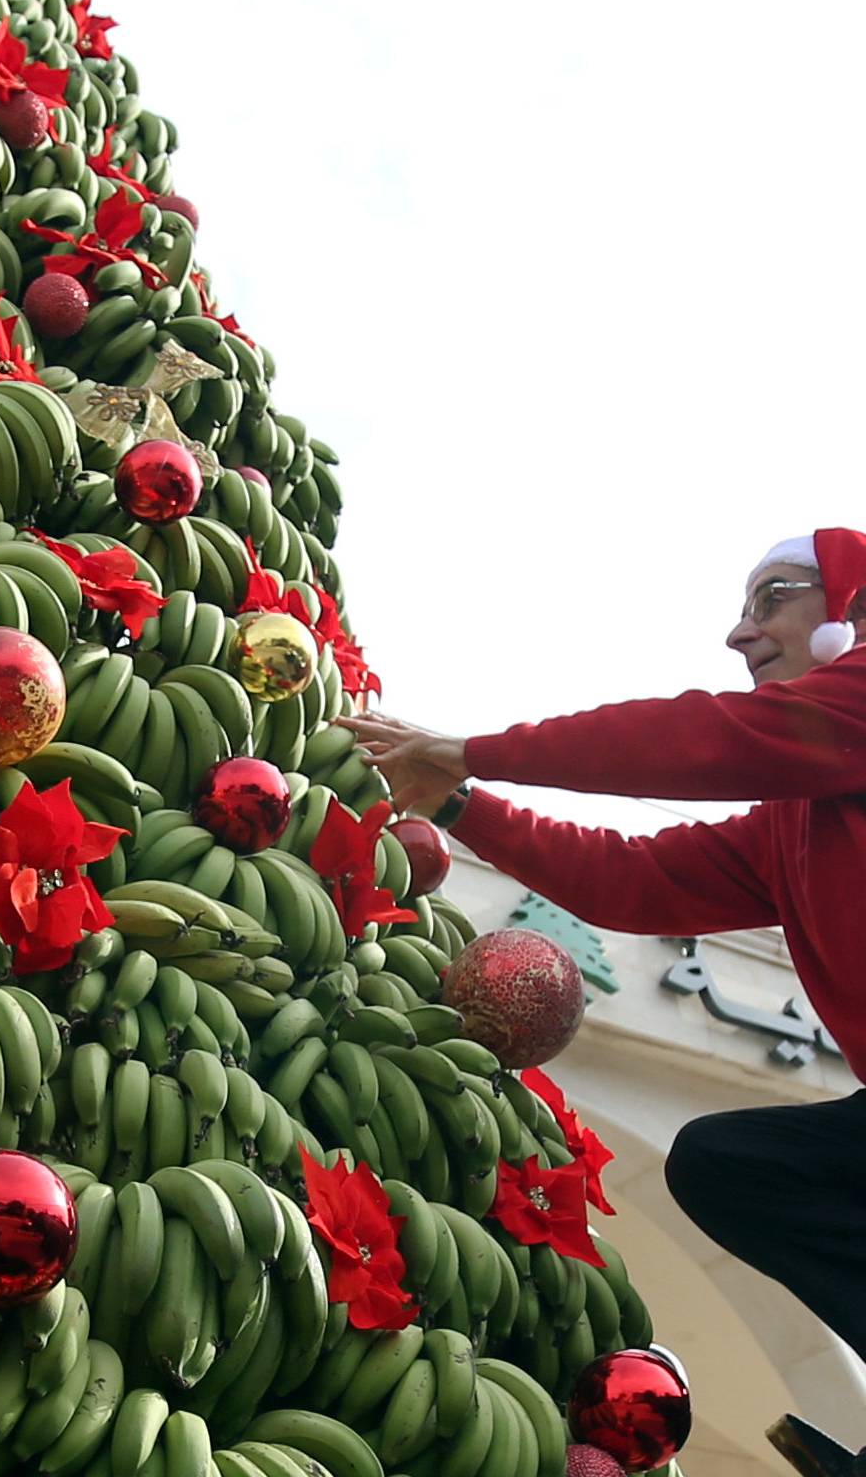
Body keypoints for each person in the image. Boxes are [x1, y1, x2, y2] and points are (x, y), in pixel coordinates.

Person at [348, 529, 866, 1477]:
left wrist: (475, 748)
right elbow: (635, 885)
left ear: (850, 613)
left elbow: (700, 739)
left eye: (773, 599)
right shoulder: (797, 817)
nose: (738, 635)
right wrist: (459, 800)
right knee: (732, 1167)